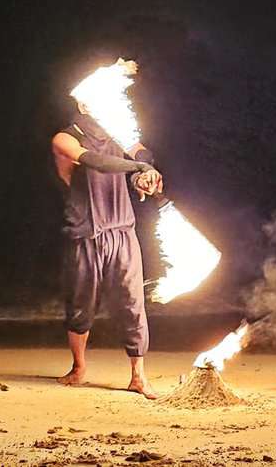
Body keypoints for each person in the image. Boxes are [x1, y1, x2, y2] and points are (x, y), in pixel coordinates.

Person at [50, 80, 164, 399]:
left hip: (122, 231)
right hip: (85, 231)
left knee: (132, 303)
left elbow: (142, 152)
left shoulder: (118, 133)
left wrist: (147, 172)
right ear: (84, 106)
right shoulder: (65, 138)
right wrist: (136, 166)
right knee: (81, 303)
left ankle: (138, 377)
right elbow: (96, 162)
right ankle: (78, 368)